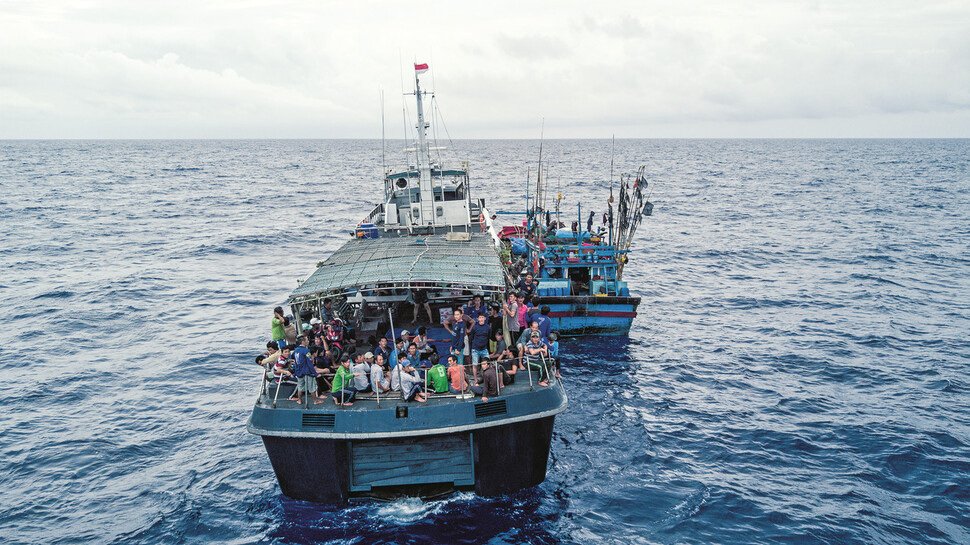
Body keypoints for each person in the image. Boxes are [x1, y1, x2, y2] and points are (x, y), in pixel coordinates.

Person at [290, 336, 327, 405]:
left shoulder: (296, 350)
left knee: (300, 387)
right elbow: (310, 363)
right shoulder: (306, 351)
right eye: (307, 340)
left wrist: (295, 372)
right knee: (312, 387)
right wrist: (315, 373)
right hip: (307, 372)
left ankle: (299, 400)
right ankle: (315, 400)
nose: (308, 341)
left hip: (299, 372)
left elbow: (295, 361)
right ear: (303, 342)